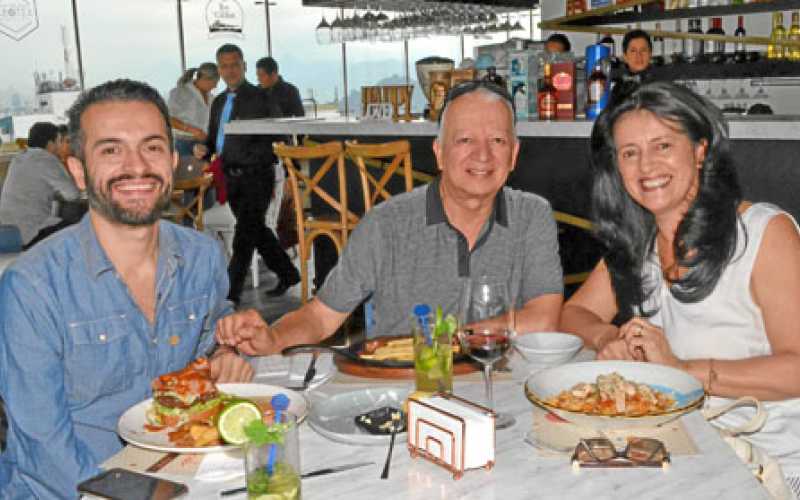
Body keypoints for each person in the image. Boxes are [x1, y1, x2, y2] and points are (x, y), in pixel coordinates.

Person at [0, 79, 254, 498]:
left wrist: (227, 351)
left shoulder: (203, 257)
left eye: (152, 147)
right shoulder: (32, 287)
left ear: (172, 162)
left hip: (182, 473)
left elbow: (214, 335)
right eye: (111, 150)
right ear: (79, 171)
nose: (136, 166)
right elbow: (43, 449)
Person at [560, 81, 800, 490]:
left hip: (768, 467)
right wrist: (611, 337)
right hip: (680, 455)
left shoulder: (763, 232)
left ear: (700, 149)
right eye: (630, 153)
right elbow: (572, 314)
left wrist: (682, 372)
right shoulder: (640, 243)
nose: (646, 167)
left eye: (663, 146)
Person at [215, 80, 564, 356]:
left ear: (514, 154)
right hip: (407, 396)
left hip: (502, 396)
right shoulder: (386, 224)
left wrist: (444, 342)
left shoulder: (532, 215)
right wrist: (273, 337)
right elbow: (322, 315)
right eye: (465, 140)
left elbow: (543, 318)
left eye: (498, 140)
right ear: (439, 153)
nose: (483, 155)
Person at [200, 44, 300, 304]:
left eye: (234, 64)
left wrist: (264, 157)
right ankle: (288, 273)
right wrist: (205, 148)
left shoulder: (262, 97)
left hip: (257, 175)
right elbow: (215, 139)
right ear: (219, 69)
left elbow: (281, 134)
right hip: (230, 177)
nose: (230, 70)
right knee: (256, 229)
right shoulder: (219, 102)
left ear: (244, 66)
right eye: (224, 65)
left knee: (244, 233)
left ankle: (230, 292)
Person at [0, 121, 81, 249]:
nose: (61, 145)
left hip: (9, 230)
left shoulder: (19, 158)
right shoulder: (46, 159)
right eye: (60, 141)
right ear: (50, 143)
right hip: (30, 231)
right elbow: (73, 195)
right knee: (83, 231)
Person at [167, 62, 220, 158]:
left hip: (204, 145)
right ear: (205, 79)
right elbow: (169, 118)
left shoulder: (211, 98)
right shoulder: (180, 92)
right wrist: (192, 130)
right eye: (215, 83)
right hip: (183, 144)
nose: (215, 86)